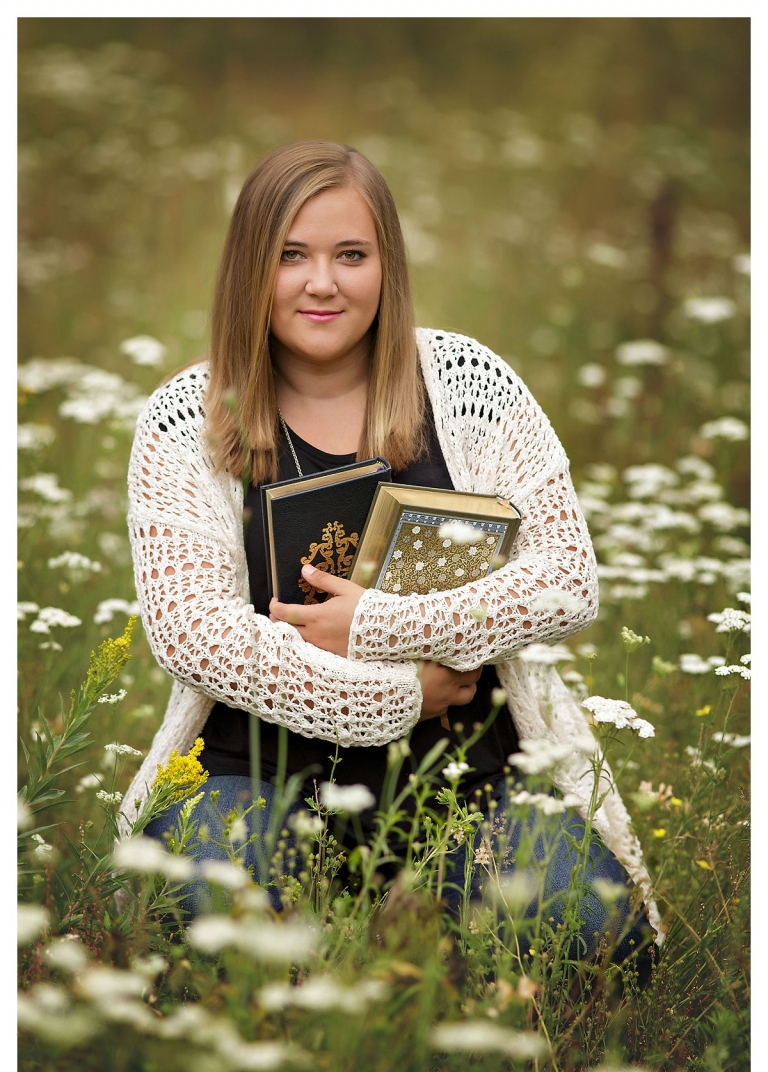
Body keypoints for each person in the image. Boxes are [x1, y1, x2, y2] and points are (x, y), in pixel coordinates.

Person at [119, 139, 662, 960]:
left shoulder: (469, 386)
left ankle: (426, 909)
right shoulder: (184, 418)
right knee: (209, 931)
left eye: (352, 255)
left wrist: (373, 625)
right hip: (252, 774)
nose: (322, 283)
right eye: (290, 255)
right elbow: (193, 633)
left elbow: (566, 581)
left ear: (388, 265)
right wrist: (401, 695)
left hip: (463, 781)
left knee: (599, 942)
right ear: (249, 268)